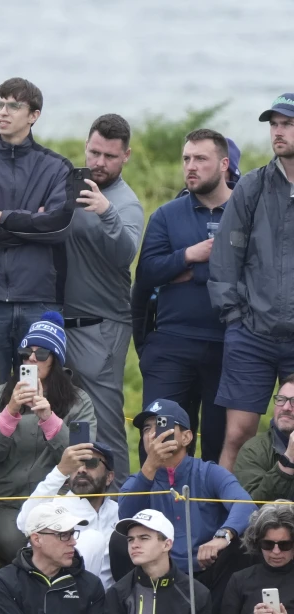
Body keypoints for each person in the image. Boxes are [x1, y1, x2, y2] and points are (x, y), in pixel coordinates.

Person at [0, 77, 74, 379]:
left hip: (40, 299)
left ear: (34, 115)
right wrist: (33, 224)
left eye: (14, 105)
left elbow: (58, 227)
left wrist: (3, 216)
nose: (3, 112)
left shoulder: (58, 167)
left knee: (37, 393)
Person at [131, 129, 235, 461]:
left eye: (200, 159)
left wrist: (196, 271)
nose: (190, 166)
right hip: (170, 347)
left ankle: (214, 512)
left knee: (219, 446)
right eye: (186, 159)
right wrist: (188, 255)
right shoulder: (166, 215)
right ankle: (153, 511)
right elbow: (146, 274)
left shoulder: (246, 213)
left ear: (223, 164)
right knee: (161, 439)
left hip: (228, 345)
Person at [211, 95, 294, 468]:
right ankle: (224, 523)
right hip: (252, 335)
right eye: (274, 124)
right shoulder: (253, 186)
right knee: (238, 435)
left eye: (287, 124)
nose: (278, 132)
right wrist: (233, 316)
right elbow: (226, 256)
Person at [61, 114, 145, 482]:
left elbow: (125, 254)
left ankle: (120, 506)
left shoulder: (125, 203)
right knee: (72, 420)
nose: (99, 163)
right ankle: (78, 500)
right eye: (94, 152)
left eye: (110, 156)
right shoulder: (71, 187)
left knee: (107, 423)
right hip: (61, 323)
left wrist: (107, 212)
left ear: (125, 156)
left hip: (102, 327)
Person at [0, 314, 98, 563]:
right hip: (8, 505)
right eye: (26, 352)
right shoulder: (1, 395)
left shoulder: (78, 401)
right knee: (20, 547)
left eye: (42, 353)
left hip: (60, 502)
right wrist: (10, 412)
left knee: (69, 548)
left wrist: (48, 418)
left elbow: (82, 459)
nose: (32, 358)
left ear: (56, 360)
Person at [118, 399, 253, 606]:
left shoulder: (208, 472)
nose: (153, 434)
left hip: (207, 568)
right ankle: (134, 612)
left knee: (243, 538)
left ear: (187, 437)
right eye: (147, 429)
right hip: (159, 573)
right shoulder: (137, 480)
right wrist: (150, 467)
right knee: (118, 541)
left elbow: (245, 504)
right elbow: (125, 516)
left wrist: (222, 536)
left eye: (162, 425)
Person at [13, 441, 120, 589]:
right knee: (93, 540)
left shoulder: (119, 511)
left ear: (109, 477)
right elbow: (24, 524)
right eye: (75, 464)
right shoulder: (54, 505)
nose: (81, 469)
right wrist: (60, 471)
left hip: (108, 603)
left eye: (91, 463)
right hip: (58, 597)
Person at [233, 375, 294, 501]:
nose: (286, 407)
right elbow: (254, 506)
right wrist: (288, 460)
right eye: (281, 399)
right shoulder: (253, 450)